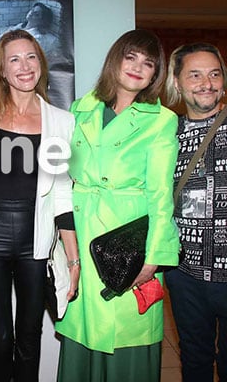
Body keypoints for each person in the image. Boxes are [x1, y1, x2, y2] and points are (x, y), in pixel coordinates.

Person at [55, 29, 180, 381]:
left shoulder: (160, 120)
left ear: (156, 75)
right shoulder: (81, 108)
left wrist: (153, 257)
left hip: (126, 242)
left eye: (149, 63)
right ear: (116, 60)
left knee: (126, 331)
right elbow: (62, 177)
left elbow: (160, 195)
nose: (138, 67)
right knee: (82, 326)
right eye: (131, 57)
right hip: (79, 234)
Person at [0, 29, 78, 382]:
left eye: (31, 57)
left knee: (30, 338)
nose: (24, 66)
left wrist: (73, 260)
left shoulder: (62, 121)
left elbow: (62, 193)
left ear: (41, 64)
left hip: (37, 240)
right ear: (1, 70)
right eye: (14, 59)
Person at [164, 42, 227, 381]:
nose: (207, 83)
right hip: (185, 274)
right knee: (195, 362)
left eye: (215, 74)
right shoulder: (164, 134)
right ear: (177, 82)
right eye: (196, 75)